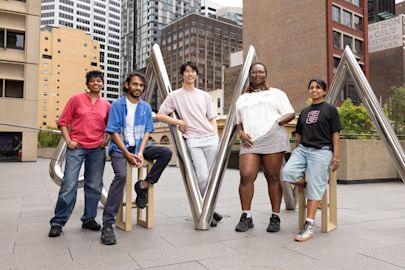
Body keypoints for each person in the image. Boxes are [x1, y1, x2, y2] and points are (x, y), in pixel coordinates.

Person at [100, 72, 172, 245]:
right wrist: (127, 154)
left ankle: (143, 185)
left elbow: (147, 131)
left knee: (165, 153)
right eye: (135, 84)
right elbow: (113, 131)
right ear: (127, 85)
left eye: (141, 85)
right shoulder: (117, 105)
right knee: (122, 176)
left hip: (140, 146)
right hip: (120, 148)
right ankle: (107, 224)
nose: (138, 88)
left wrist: (140, 152)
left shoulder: (145, 107)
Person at [156, 61, 223, 227]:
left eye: (193, 71)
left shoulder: (205, 95)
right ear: (182, 75)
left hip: (210, 138)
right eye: (186, 71)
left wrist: (215, 136)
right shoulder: (175, 96)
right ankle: (207, 210)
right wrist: (178, 121)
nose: (190, 74)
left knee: (211, 178)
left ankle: (208, 210)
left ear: (196, 75)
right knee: (202, 177)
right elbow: (160, 115)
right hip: (193, 139)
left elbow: (212, 118)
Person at [49, 70, 111, 237]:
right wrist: (68, 141)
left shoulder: (106, 105)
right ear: (87, 84)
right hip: (77, 148)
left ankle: (89, 219)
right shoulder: (76, 99)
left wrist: (106, 140)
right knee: (69, 184)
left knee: (94, 185)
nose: (96, 83)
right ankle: (58, 222)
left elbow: (111, 126)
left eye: (99, 81)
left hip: (97, 150)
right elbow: (63, 122)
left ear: (103, 84)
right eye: (92, 81)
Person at [235, 62, 295, 233]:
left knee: (273, 177)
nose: (257, 74)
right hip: (250, 141)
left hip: (272, 139)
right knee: (246, 175)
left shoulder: (276, 93)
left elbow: (290, 112)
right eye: (254, 72)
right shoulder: (242, 98)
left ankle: (275, 217)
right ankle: (246, 216)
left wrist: (277, 122)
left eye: (261, 71)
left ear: (265, 74)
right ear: (250, 75)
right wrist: (241, 133)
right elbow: (237, 122)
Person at [282, 79, 341, 242]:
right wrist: (296, 150)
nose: (314, 90)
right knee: (287, 172)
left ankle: (309, 225)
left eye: (318, 88)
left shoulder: (330, 109)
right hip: (303, 149)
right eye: (311, 87)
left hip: (322, 151)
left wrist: (336, 156)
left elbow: (335, 134)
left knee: (316, 184)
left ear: (324, 91)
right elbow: (299, 135)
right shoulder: (305, 111)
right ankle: (313, 187)